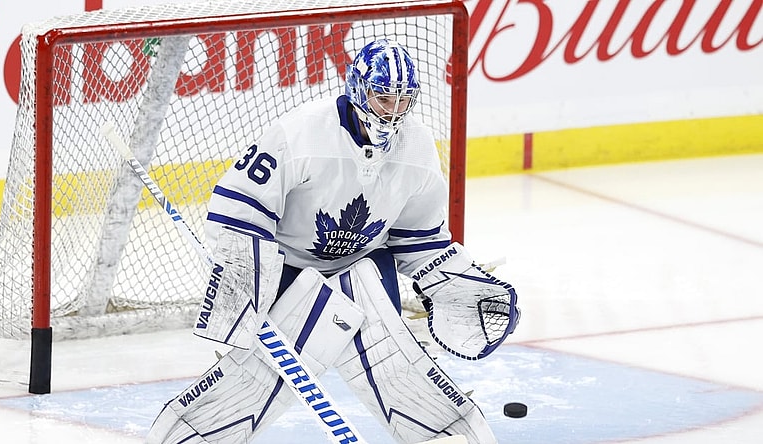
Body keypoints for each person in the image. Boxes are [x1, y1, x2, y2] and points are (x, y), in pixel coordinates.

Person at [146, 39, 519, 444]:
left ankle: (446, 434)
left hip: (365, 267)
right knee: (255, 378)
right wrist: (242, 288)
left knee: (394, 362)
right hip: (289, 272)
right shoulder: (302, 132)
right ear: (359, 89)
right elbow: (240, 209)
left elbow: (420, 241)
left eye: (403, 100)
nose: (393, 110)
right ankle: (195, 433)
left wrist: (460, 283)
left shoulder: (417, 149)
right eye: (383, 97)